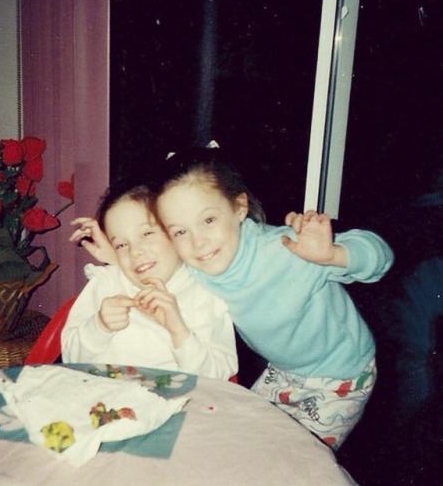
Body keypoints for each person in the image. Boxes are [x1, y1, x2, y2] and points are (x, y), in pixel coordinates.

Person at [153, 147, 394, 449]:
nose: (197, 242)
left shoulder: (287, 251)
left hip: (341, 376)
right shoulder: (197, 265)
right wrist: (113, 251)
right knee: (244, 441)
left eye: (209, 220)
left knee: (298, 459)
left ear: (239, 208)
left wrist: (333, 254)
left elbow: (381, 257)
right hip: (283, 371)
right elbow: (150, 261)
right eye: (179, 232)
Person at [61, 178, 238, 381]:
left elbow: (218, 377)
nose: (135, 251)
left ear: (174, 230)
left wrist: (179, 331)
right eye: (121, 245)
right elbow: (70, 358)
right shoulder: (107, 283)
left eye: (146, 233)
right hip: (103, 401)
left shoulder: (205, 292)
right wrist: (99, 326)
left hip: (176, 405)